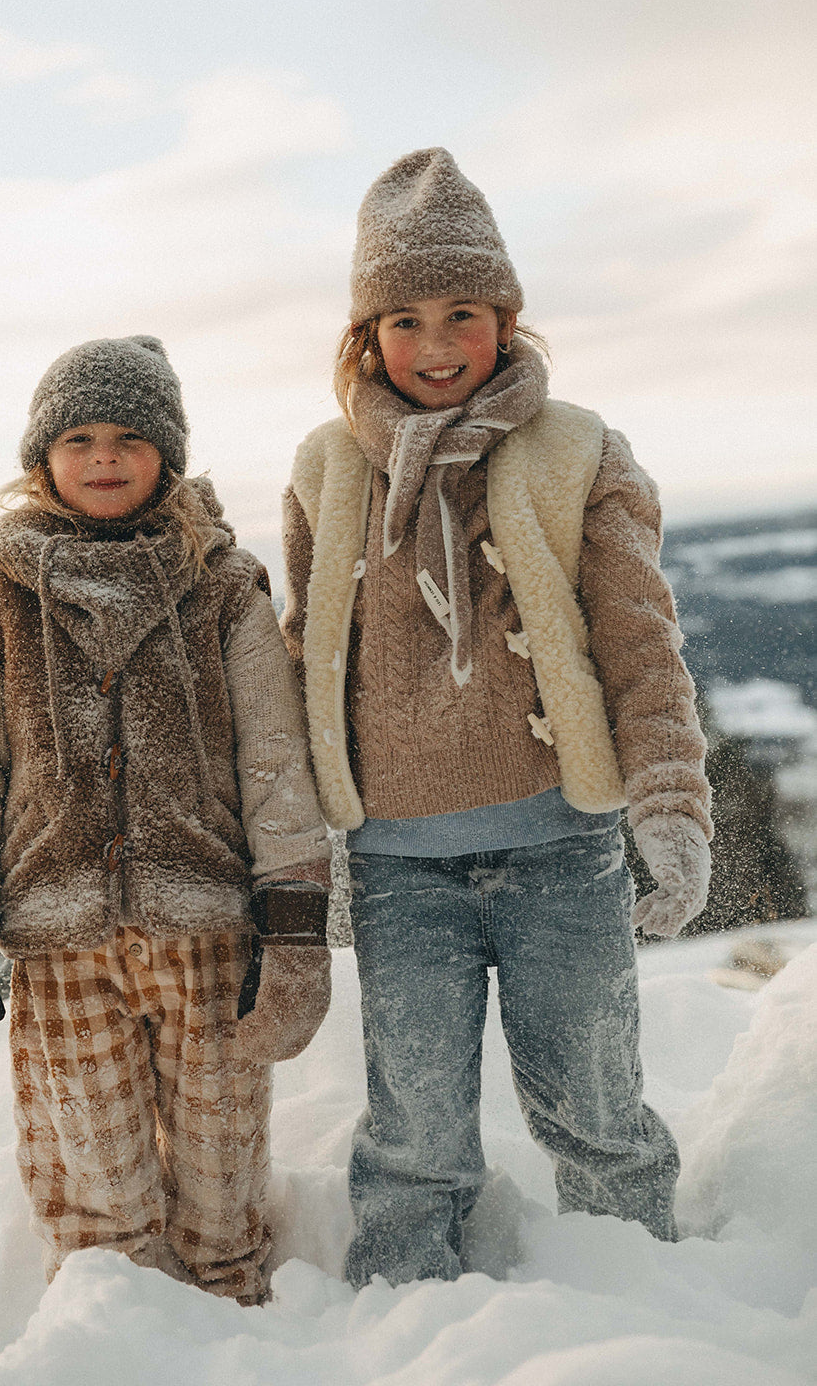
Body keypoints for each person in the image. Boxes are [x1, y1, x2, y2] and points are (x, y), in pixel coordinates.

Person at [281, 148, 712, 1286]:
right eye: (404, 318)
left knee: (595, 1108)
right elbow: (297, 671)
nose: (433, 345)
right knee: (413, 1131)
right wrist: (280, 845)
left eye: (460, 312)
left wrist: (667, 802)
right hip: (396, 866)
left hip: (559, 848)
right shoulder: (326, 471)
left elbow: (637, 646)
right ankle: (401, 1315)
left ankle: (649, 1309)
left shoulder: (575, 451)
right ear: (364, 335)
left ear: (506, 318)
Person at [0, 334, 332, 1304]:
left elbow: (273, 762)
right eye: (79, 437)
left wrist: (296, 924)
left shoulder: (222, 584)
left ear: (168, 455)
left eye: (129, 437)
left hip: (207, 934)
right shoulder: (2, 591)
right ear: (42, 459)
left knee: (219, 1185)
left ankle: (237, 1329)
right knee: (95, 1188)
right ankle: (113, 1332)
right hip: (59, 938)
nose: (104, 456)